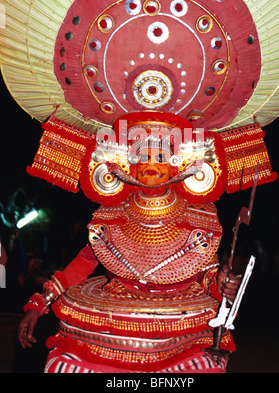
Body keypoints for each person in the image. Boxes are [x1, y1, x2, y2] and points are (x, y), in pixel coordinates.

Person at [18, 135, 241, 373]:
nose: (151, 165)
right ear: (131, 164)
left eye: (161, 158)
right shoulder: (111, 213)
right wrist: (38, 304)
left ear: (176, 163)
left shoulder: (198, 214)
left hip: (179, 336)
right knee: (62, 365)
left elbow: (206, 272)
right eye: (143, 157)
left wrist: (221, 283)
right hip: (113, 328)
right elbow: (83, 262)